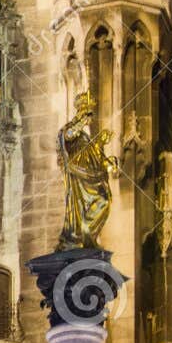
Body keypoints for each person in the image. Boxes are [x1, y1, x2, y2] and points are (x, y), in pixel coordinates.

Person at [58, 90, 118, 249]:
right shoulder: (71, 128)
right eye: (89, 114)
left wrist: (107, 161)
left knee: (105, 201)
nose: (91, 118)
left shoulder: (85, 137)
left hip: (89, 179)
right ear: (82, 113)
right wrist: (80, 123)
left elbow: (93, 157)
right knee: (102, 201)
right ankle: (84, 234)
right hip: (78, 178)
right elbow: (67, 136)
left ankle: (88, 235)